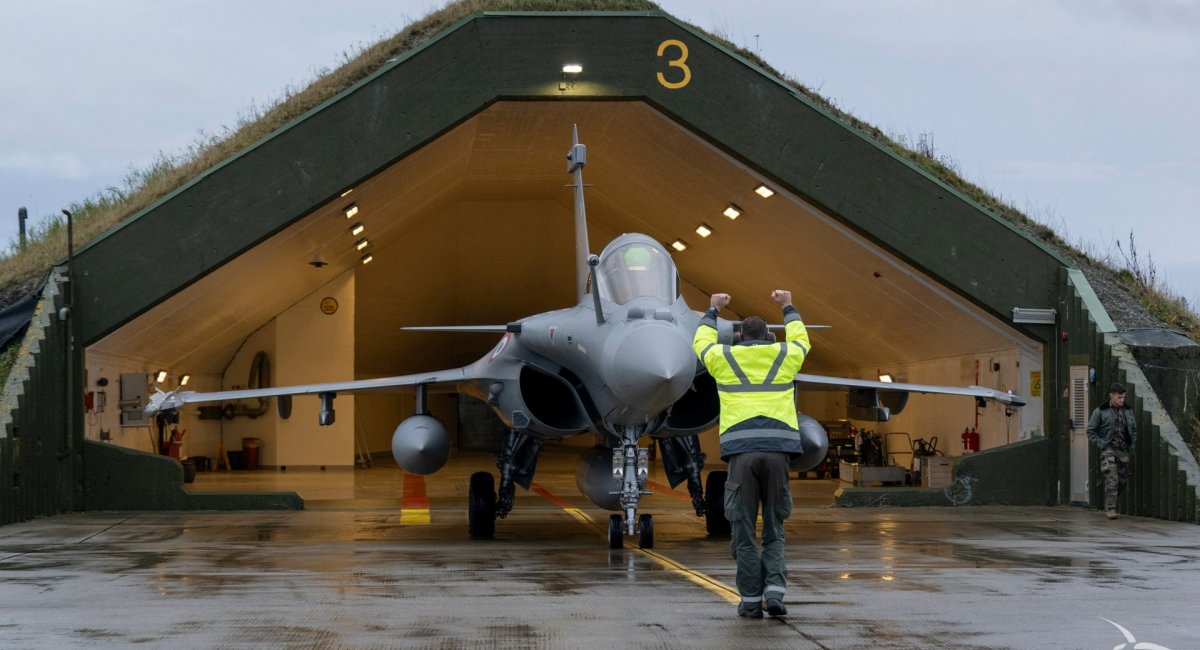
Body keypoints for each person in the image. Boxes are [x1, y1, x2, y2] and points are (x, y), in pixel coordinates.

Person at [692, 290, 810, 619]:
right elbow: (801, 339)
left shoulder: (724, 358)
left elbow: (700, 343)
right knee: (774, 527)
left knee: (743, 531)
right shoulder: (784, 355)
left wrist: (713, 310)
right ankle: (775, 593)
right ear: (770, 336)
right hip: (777, 454)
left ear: (739, 337)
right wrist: (788, 305)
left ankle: (750, 601)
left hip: (741, 455)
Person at [1086, 382, 1137, 519]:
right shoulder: (1100, 411)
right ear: (1111, 396)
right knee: (1112, 478)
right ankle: (1111, 508)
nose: (1122, 400)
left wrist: (1132, 445)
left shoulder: (1128, 411)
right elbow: (1090, 431)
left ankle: (1110, 499)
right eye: (1119, 397)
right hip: (1108, 448)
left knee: (1123, 480)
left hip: (1123, 449)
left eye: (1123, 397)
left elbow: (1133, 429)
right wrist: (1101, 443)